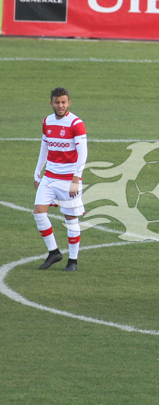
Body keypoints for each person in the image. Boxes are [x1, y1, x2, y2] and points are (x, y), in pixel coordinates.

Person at [33, 87, 87, 272]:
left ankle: (73, 260)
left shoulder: (76, 123)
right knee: (39, 212)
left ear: (69, 103)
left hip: (68, 179)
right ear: (51, 104)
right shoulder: (46, 121)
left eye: (63, 102)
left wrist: (76, 178)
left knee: (70, 218)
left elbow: (83, 153)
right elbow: (45, 147)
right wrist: (37, 171)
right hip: (50, 176)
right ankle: (54, 252)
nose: (60, 105)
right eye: (57, 102)